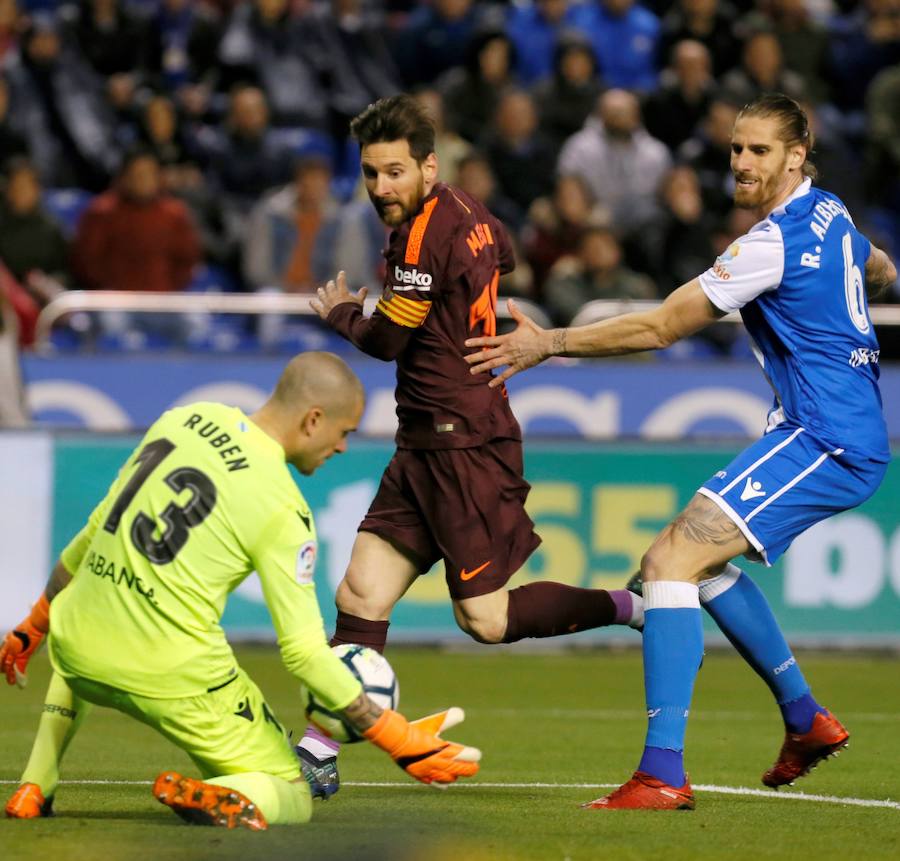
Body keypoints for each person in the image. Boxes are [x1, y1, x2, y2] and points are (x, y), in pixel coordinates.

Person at [464, 93, 897, 810]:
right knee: (699, 565)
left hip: (826, 435)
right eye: (735, 148)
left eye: (759, 150)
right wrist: (861, 279)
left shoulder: (771, 242)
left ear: (797, 155)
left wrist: (550, 341)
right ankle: (805, 718)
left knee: (669, 562)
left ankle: (662, 773)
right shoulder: (835, 214)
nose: (742, 163)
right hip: (830, 430)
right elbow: (877, 264)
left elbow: (664, 325)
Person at [297, 93, 643, 797]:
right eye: (370, 173)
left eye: (394, 171)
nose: (381, 188)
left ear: (428, 164)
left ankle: (633, 604)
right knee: (361, 588)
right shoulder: (470, 211)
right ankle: (317, 748)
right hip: (425, 442)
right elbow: (502, 258)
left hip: (462, 444)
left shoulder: (422, 237)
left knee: (484, 618)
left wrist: (341, 314)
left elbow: (389, 339)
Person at [2, 352, 480, 828]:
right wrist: (396, 736)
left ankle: (35, 784)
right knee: (293, 792)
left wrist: (35, 623)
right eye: (344, 432)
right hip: (172, 677)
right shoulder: (282, 509)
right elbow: (304, 654)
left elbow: (91, 536)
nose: (342, 448)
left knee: (89, 613)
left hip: (77, 654)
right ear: (314, 420)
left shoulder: (185, 419)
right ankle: (219, 794)